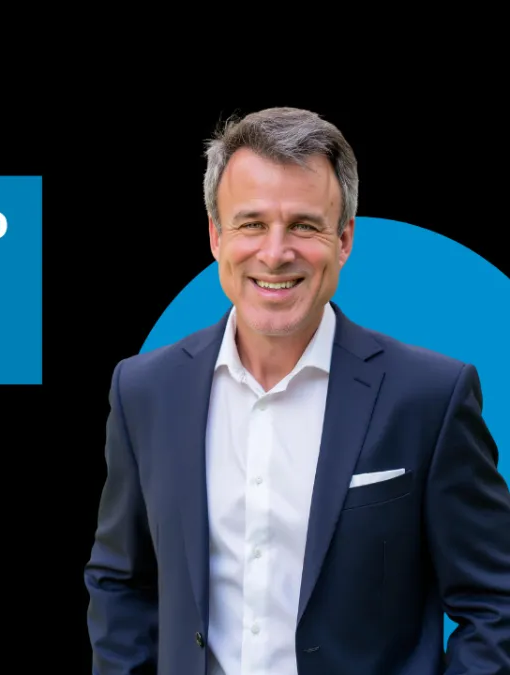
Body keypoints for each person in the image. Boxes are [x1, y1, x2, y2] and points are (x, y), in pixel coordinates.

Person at [84, 107, 510, 674]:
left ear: (344, 239)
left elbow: (494, 601)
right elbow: (122, 584)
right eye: (252, 223)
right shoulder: (144, 390)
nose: (276, 252)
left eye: (304, 225)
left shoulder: (431, 397)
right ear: (216, 235)